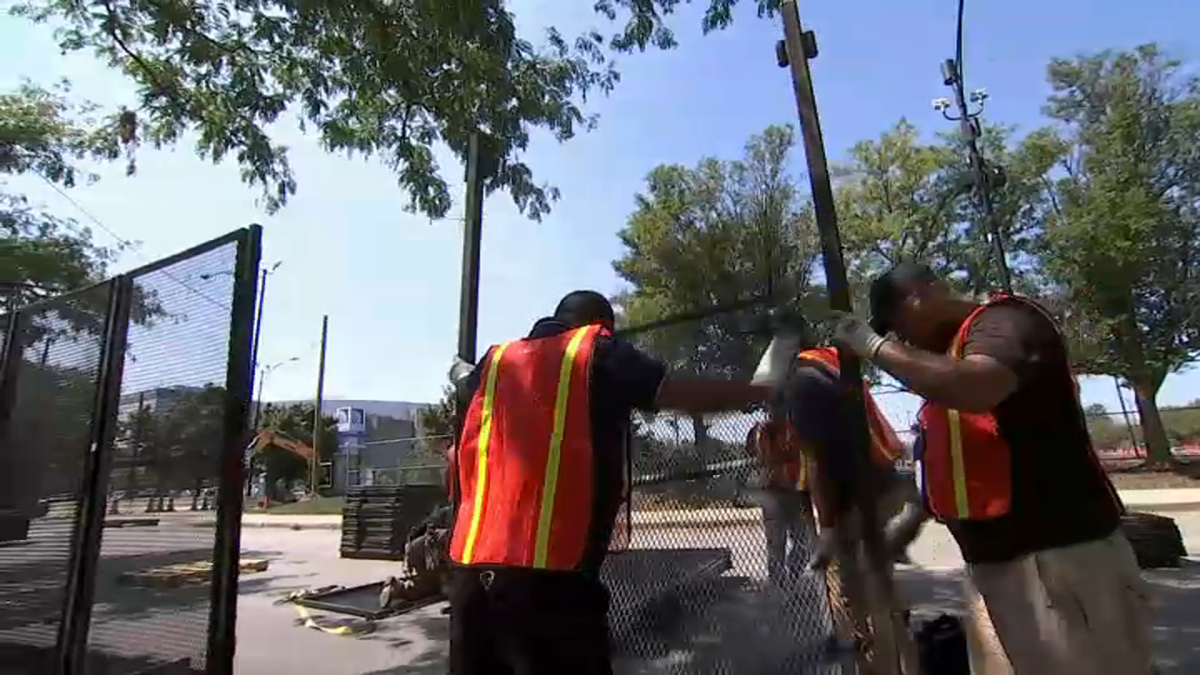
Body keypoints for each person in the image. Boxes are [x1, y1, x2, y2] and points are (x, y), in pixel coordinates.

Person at [833, 262, 1153, 675]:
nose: (900, 338)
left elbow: (977, 386)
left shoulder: (1006, 322)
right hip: (1000, 565)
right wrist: (912, 519)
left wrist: (873, 346)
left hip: (1057, 556)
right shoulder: (949, 358)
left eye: (897, 324)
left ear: (921, 295)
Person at [445, 290, 777, 675]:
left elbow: (464, 382)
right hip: (552, 585)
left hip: (470, 581)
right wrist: (760, 391)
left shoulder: (496, 362)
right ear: (600, 325)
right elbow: (680, 393)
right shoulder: (595, 350)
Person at [745, 409, 816, 585]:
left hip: (797, 491)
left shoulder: (799, 429)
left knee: (803, 541)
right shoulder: (764, 430)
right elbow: (756, 453)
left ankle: (791, 577)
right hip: (773, 491)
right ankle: (778, 583)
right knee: (776, 543)